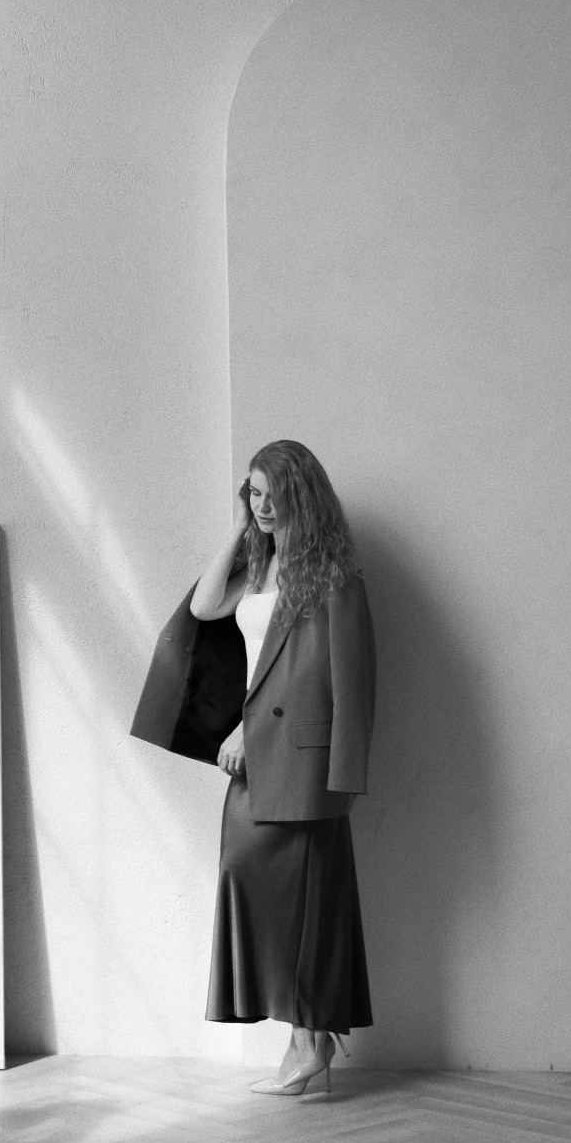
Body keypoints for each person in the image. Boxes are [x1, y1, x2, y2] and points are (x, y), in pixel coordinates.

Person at [129, 439, 374, 1093]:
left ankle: (309, 1043)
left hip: (302, 766)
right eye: (253, 493)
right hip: (255, 766)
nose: (263, 506)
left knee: (311, 908)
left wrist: (341, 776)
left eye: (272, 495)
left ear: (302, 493)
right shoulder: (258, 565)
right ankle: (307, 1041)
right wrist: (239, 532)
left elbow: (347, 678)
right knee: (251, 885)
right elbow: (205, 607)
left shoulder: (335, 576)